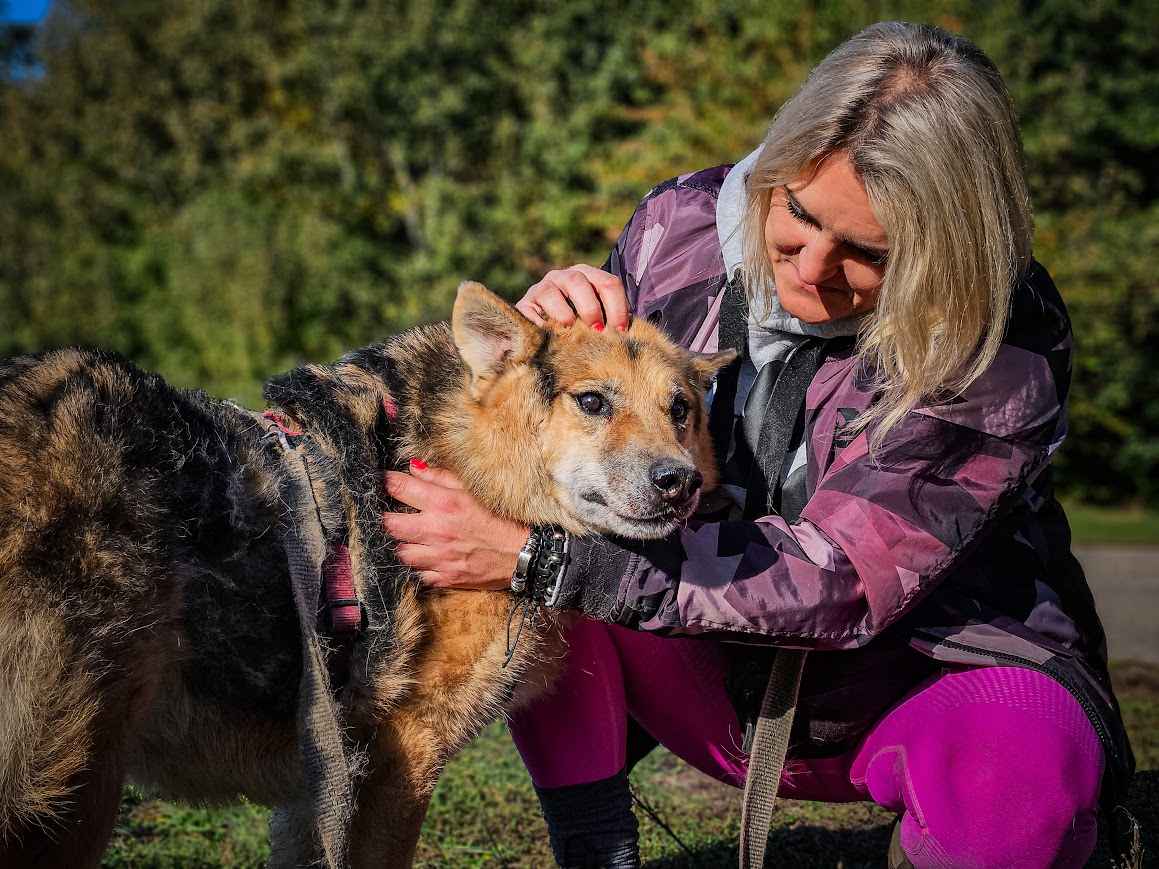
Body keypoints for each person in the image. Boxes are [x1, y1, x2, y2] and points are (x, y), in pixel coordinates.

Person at [382, 21, 1136, 869]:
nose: (810, 266)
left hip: (918, 681)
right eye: (798, 212)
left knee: (1013, 789)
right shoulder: (679, 221)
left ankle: (965, 827)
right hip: (703, 672)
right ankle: (597, 851)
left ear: (942, 250)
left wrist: (540, 560)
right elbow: (592, 439)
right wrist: (548, 333)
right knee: (569, 521)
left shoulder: (997, 339)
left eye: (866, 251)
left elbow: (839, 579)